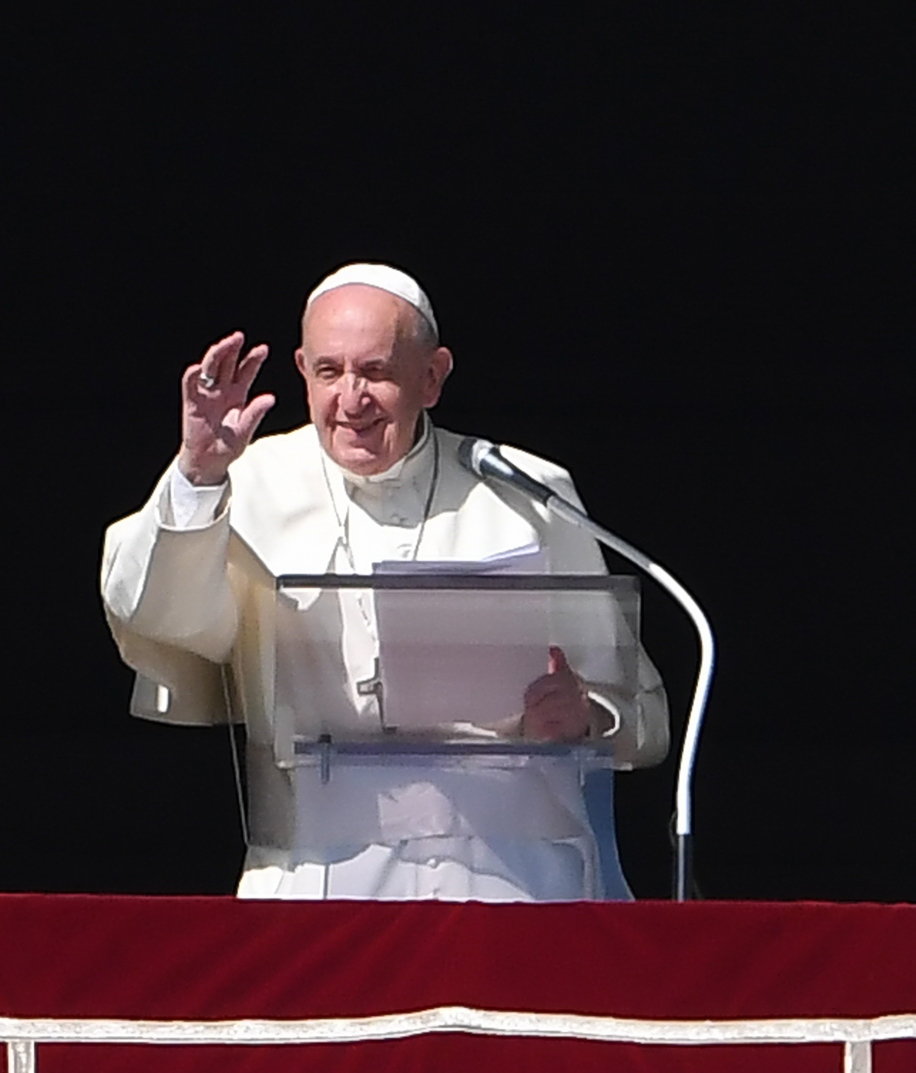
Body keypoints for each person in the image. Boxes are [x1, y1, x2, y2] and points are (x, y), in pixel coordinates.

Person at [100, 263, 668, 900]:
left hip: (516, 876)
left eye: (374, 372)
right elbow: (157, 616)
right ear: (301, 372)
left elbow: (637, 710)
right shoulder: (247, 484)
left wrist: (586, 715)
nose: (351, 399)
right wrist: (197, 476)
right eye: (329, 372)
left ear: (432, 377)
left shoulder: (525, 494)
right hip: (318, 878)